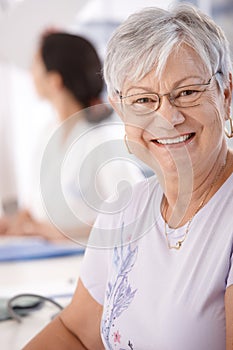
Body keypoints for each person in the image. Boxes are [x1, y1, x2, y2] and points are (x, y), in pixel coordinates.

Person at [23, 3, 233, 349]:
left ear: (226, 95)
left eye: (187, 92)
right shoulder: (125, 209)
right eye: (143, 99)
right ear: (121, 110)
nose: (167, 116)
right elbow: (76, 332)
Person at [0, 31, 143, 241]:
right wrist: (18, 222)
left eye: (35, 64)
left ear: (55, 80)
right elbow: (45, 206)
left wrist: (56, 233)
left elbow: (132, 218)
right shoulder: (49, 133)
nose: (30, 72)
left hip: (89, 260)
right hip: (49, 259)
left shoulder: (102, 137)